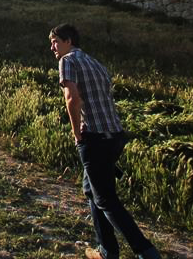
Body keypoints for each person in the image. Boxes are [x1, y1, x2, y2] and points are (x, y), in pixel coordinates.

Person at [49, 23, 161, 259]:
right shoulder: (95, 63)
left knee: (105, 199)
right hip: (115, 135)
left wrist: (77, 134)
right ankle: (107, 250)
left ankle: (146, 251)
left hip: (94, 137)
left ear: (68, 40)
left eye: (55, 41)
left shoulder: (67, 61)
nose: (52, 47)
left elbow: (72, 99)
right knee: (92, 190)